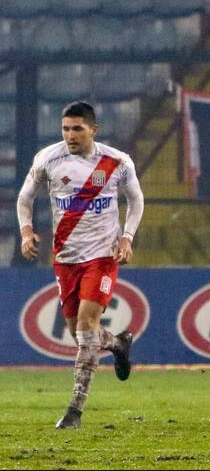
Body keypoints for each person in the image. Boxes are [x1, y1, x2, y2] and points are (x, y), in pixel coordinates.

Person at [16, 101, 144, 430]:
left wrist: (127, 237)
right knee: (78, 334)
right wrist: (26, 231)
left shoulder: (116, 161)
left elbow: (136, 199)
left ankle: (74, 410)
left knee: (86, 328)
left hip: (102, 256)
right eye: (66, 129)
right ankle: (117, 343)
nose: (70, 135)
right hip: (65, 258)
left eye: (77, 129)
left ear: (93, 130)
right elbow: (24, 197)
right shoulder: (48, 158)